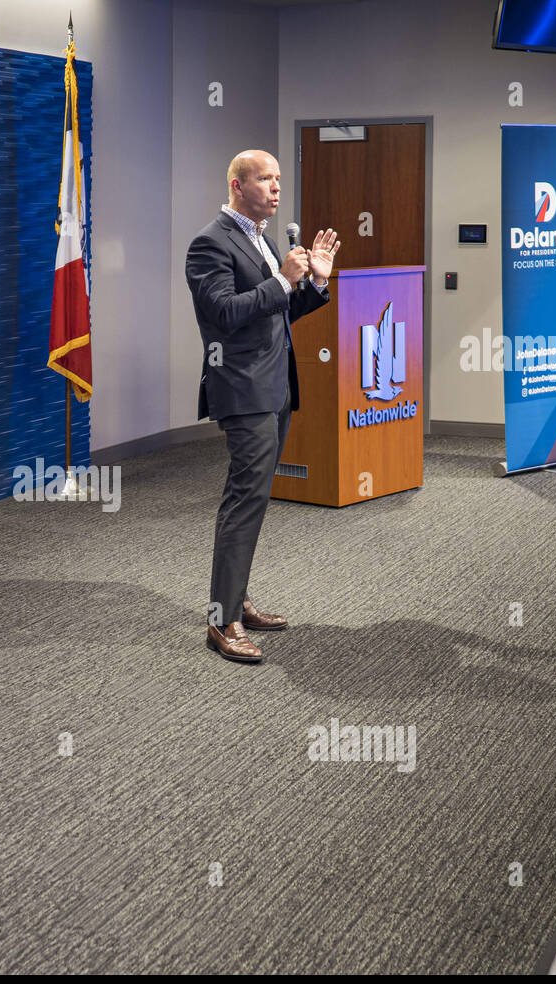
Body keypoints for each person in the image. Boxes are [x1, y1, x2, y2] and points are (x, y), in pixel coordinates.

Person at [185, 149, 339, 663]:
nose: (276, 188)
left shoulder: (262, 239)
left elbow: (278, 312)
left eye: (278, 179)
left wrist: (314, 281)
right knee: (243, 499)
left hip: (275, 387)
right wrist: (281, 281)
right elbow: (224, 314)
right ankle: (220, 621)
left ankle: (238, 600)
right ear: (237, 185)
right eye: (266, 180)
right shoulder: (209, 244)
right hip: (243, 388)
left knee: (255, 499)